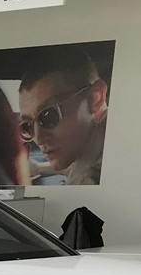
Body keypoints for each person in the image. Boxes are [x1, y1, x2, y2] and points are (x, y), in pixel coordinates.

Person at [17, 46, 109, 185]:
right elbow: (76, 164)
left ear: (96, 98)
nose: (39, 138)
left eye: (48, 117)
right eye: (27, 127)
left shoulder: (86, 179)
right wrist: (38, 168)